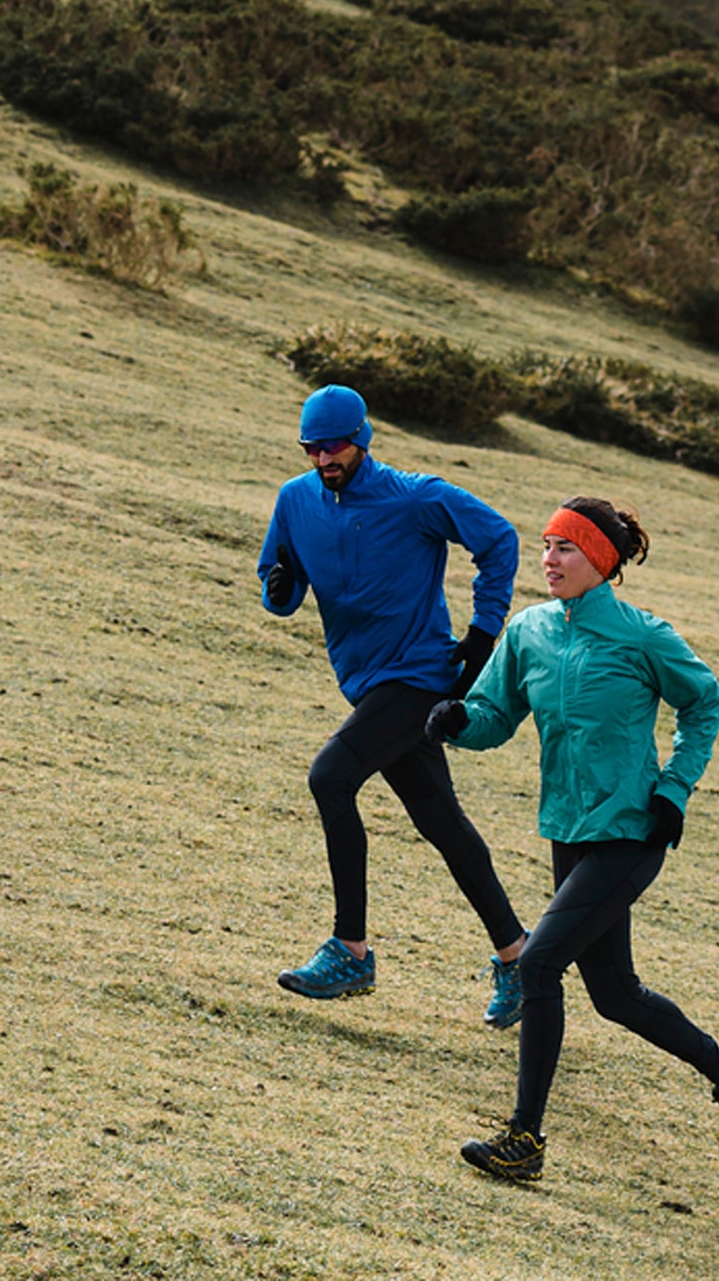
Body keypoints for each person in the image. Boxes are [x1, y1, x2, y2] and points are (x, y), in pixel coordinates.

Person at [426, 496, 719, 1180]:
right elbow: (497, 714)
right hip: (569, 829)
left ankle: (524, 1138)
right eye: (546, 545)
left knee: (539, 963)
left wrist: (674, 788)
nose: (548, 559)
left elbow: (705, 699)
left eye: (565, 548)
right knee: (613, 994)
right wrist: (458, 722)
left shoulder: (643, 636)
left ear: (601, 562)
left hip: (632, 829)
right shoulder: (529, 632)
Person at [256, 384, 530, 1027]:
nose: (325, 458)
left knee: (330, 776)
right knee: (441, 822)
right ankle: (521, 959)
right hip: (366, 681)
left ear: (363, 438)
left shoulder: (415, 497)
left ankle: (351, 950)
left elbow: (498, 540)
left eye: (336, 445)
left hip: (420, 676)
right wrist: (277, 585)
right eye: (312, 448)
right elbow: (280, 583)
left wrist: (484, 633)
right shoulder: (296, 501)